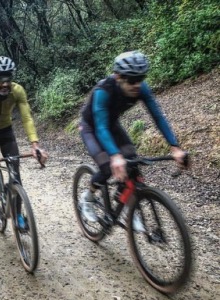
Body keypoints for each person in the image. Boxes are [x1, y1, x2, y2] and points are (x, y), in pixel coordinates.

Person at [78, 51, 187, 229]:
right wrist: (114, 155)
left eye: (141, 78)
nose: (137, 84)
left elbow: (158, 117)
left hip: (110, 125)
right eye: (131, 80)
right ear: (118, 76)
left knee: (131, 159)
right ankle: (87, 198)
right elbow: (100, 127)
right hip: (91, 127)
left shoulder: (141, 88)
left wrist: (174, 146)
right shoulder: (103, 91)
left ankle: (128, 204)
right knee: (107, 167)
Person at [0, 56, 48, 228]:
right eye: (0, 79)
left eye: (8, 78)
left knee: (16, 174)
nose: (5, 84)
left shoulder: (18, 91)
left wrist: (35, 145)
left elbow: (27, 118)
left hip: (6, 131)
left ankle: (18, 216)